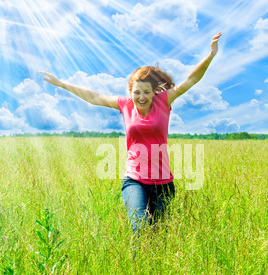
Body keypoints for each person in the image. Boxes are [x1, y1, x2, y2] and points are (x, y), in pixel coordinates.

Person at [40, 32, 221, 242]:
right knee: (140, 227)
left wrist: (211, 55)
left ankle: (150, 273)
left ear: (154, 92)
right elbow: (93, 97)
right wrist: (62, 84)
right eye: (137, 92)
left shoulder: (164, 102)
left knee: (159, 237)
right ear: (130, 92)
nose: (141, 97)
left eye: (146, 92)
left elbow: (191, 79)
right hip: (135, 180)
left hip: (163, 182)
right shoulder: (125, 105)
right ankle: (137, 266)